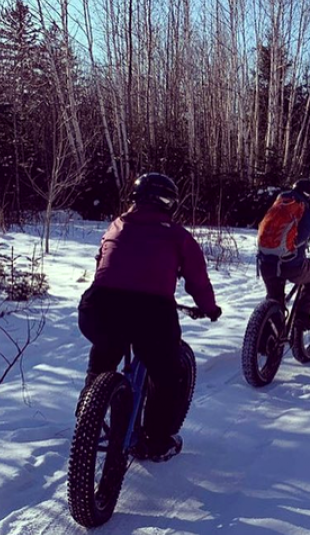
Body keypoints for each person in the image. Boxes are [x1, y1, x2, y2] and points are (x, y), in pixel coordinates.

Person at [77, 173, 221, 462]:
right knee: (166, 375)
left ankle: (87, 416)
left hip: (98, 306)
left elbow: (103, 262)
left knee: (105, 351)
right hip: (152, 312)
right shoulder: (177, 234)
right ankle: (155, 442)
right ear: (168, 202)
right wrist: (209, 308)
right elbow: (196, 279)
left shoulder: (116, 225)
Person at [256, 178, 310, 329]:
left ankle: (265, 338)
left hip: (265, 263)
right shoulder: (309, 217)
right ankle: (302, 317)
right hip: (291, 266)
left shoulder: (278, 205)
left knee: (274, 299)